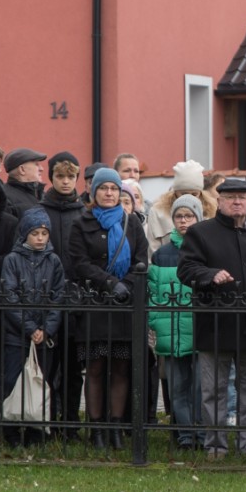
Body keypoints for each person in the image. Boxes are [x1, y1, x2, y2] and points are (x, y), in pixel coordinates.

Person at [177, 175, 246, 458]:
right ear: (219, 201)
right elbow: (186, 269)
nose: (236, 202)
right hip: (215, 325)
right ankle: (215, 446)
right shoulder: (200, 233)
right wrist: (210, 275)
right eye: (230, 197)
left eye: (242, 197)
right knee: (214, 391)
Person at [67, 166, 148, 449]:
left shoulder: (131, 222)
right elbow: (79, 262)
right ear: (94, 192)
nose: (109, 193)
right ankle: (97, 428)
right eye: (104, 188)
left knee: (121, 368)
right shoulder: (81, 223)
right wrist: (110, 283)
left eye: (114, 188)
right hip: (96, 304)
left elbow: (141, 259)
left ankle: (115, 426)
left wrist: (126, 285)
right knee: (96, 367)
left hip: (125, 306)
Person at [0, 207, 66, 442]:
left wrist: (46, 329)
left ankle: (37, 430)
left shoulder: (54, 261)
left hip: (45, 335)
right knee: (13, 380)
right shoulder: (12, 260)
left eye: (44, 234)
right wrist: (29, 328)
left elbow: (58, 296)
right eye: (35, 233)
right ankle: (11, 429)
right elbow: (9, 296)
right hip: (16, 335)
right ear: (25, 234)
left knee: (43, 381)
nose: (40, 238)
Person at [38, 152, 88, 432]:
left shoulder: (84, 213)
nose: (66, 181)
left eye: (71, 176)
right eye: (60, 176)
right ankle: (45, 419)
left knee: (72, 366)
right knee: (46, 365)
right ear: (51, 178)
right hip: (45, 296)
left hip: (75, 298)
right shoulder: (39, 210)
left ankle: (70, 422)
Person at [148, 194, 202, 450]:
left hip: (198, 329)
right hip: (171, 330)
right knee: (177, 387)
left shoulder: (206, 251)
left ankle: (202, 433)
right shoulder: (162, 255)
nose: (184, 221)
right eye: (179, 216)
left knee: (201, 387)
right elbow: (153, 293)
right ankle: (185, 435)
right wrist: (156, 324)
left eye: (189, 216)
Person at [148, 160, 210, 254]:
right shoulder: (157, 212)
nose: (189, 198)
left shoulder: (211, 212)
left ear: (201, 193)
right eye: (184, 194)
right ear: (175, 192)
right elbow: (153, 251)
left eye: (194, 194)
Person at [2, 148, 47, 219]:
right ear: (22, 170)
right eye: (36, 164)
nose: (42, 169)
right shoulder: (4, 198)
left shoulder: (43, 195)